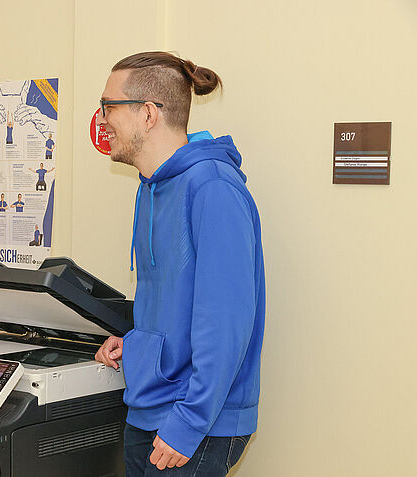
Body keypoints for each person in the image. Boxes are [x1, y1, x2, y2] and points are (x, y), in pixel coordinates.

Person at [92, 52, 265, 477]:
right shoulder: (151, 188)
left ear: (148, 114)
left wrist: (188, 423)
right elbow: (172, 297)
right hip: (149, 407)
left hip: (196, 420)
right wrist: (135, 344)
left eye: (108, 106)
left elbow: (225, 322)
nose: (101, 119)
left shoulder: (213, 189)